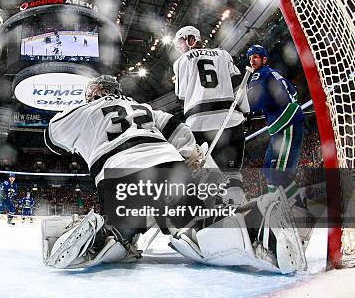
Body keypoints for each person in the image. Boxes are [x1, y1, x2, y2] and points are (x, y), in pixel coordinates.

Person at [41, 75, 305, 274]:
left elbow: (52, 137)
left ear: (93, 94)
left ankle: (108, 236)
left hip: (121, 175)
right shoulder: (143, 107)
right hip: (170, 167)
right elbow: (179, 129)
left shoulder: (84, 110)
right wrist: (188, 156)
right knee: (196, 228)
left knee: (120, 236)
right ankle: (259, 216)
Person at [172, 25, 249, 205]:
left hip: (198, 125)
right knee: (232, 175)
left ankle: (215, 211)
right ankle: (237, 204)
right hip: (229, 121)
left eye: (182, 43)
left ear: (191, 40)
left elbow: (181, 96)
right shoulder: (223, 54)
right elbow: (239, 86)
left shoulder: (181, 62)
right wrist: (246, 110)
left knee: (206, 175)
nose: (180, 48)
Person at [246, 44, 306, 208]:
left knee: (279, 175)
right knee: (267, 170)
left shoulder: (259, 74)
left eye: (256, 57)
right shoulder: (273, 73)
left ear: (264, 59)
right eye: (250, 58)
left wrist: (242, 106)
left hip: (287, 125)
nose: (252, 61)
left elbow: (254, 103)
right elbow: (292, 92)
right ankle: (281, 207)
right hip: (284, 125)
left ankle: (298, 212)